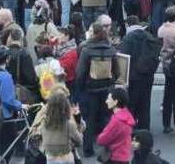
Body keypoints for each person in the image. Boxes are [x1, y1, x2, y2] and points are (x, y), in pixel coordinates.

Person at [76, 23, 120, 156]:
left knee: (89, 120)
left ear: (93, 34)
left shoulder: (86, 50)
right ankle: (108, 147)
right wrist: (111, 82)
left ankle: (88, 149)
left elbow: (80, 72)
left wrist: (82, 86)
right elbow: (117, 72)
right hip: (107, 90)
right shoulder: (111, 50)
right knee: (107, 118)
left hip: (91, 90)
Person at [33, 88, 83, 164]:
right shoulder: (69, 124)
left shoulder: (44, 123)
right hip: (66, 157)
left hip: (50, 158)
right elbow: (79, 142)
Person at [96, 86, 135, 164]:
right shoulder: (127, 116)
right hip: (124, 156)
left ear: (115, 101)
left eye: (109, 99)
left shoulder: (116, 121)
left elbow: (101, 140)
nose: (106, 101)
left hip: (114, 158)